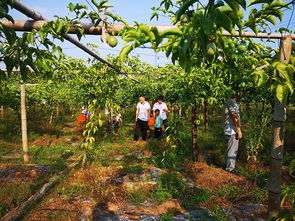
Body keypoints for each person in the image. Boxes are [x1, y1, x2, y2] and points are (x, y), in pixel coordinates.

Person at [223, 94, 243, 175]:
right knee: (233, 150)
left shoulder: (228, 101)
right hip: (232, 131)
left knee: (229, 148)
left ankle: (227, 165)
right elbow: (235, 117)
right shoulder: (232, 103)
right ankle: (230, 169)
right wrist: (239, 130)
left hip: (228, 129)